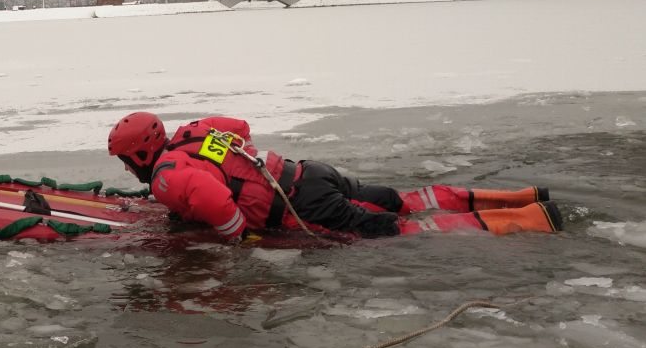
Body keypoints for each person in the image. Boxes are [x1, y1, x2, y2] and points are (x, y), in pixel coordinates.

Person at [107, 112, 562, 240]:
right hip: (311, 173)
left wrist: (239, 239)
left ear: (139, 154)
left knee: (391, 227)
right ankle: (519, 196)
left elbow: (215, 202)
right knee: (398, 199)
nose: (129, 169)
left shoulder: (166, 175)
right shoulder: (194, 130)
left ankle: (528, 219)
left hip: (301, 206)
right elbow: (241, 128)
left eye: (128, 162)